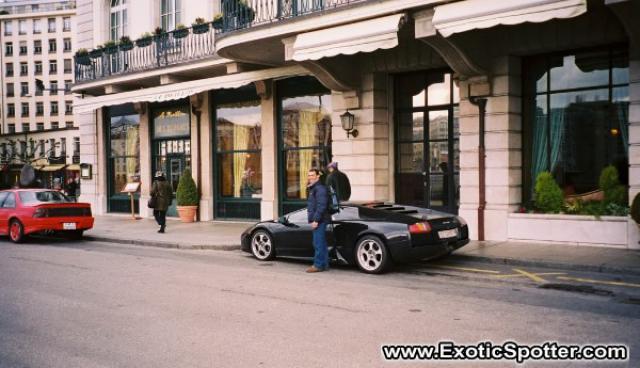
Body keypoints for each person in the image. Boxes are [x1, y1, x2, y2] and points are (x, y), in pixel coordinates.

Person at [306, 168, 331, 273]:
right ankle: (324, 264)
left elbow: (321, 206)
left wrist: (315, 220)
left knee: (318, 243)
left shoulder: (320, 188)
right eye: (309, 175)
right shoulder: (314, 188)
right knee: (321, 243)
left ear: (318, 176)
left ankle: (318, 265)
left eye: (312, 175)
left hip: (320, 220)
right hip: (319, 219)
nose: (310, 177)